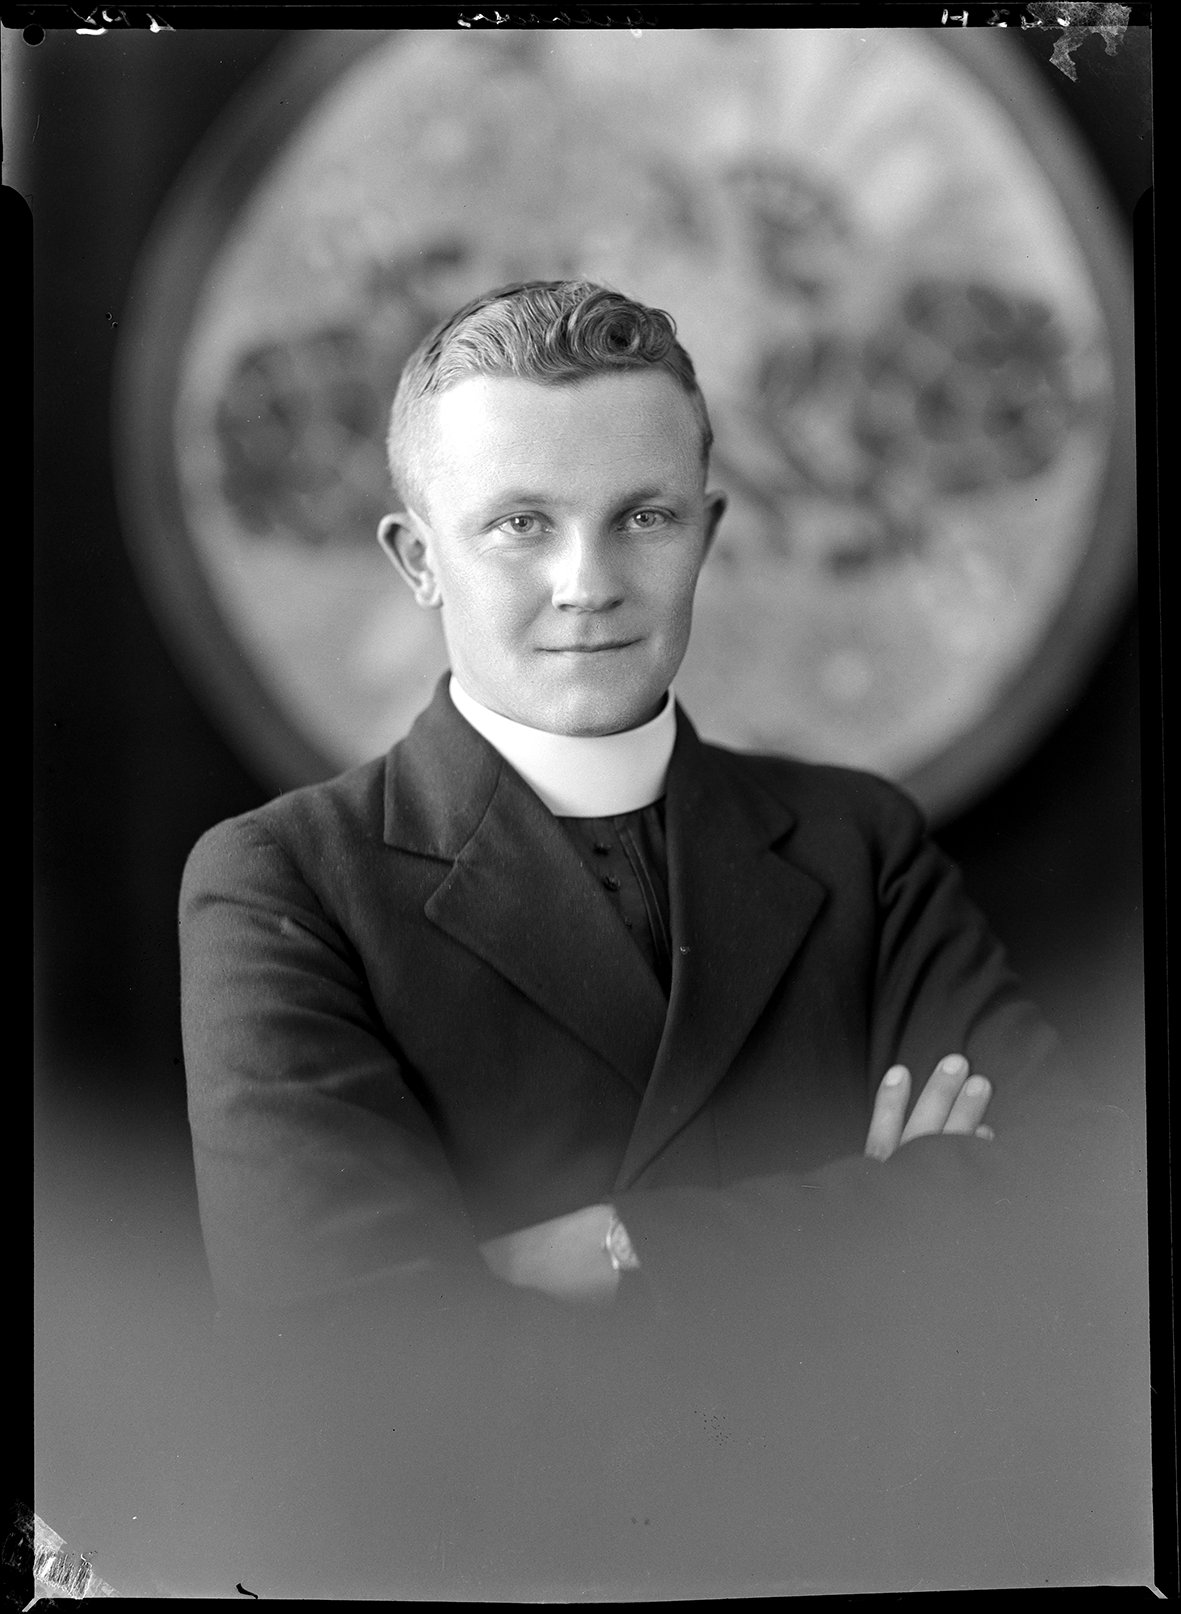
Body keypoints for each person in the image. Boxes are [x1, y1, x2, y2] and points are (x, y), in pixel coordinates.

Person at [177, 282, 1131, 1592]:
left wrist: (617, 1248)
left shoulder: (854, 840)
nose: (589, 584)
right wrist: (887, 1217)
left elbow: (1069, 1227)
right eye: (520, 523)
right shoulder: (284, 879)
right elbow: (356, 1373)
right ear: (417, 558)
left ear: (707, 531)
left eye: (643, 516)